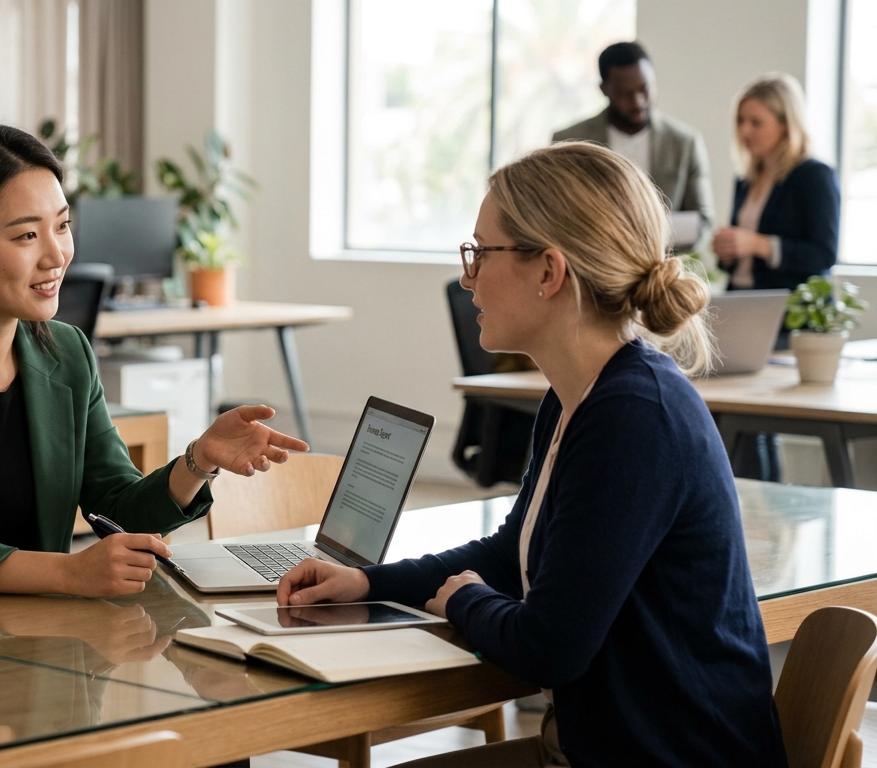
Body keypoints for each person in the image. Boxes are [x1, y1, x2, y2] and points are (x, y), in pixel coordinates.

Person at [277, 143, 786, 767]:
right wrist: (366, 582)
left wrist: (464, 599)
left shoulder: (634, 415)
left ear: (549, 271)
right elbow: (510, 554)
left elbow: (550, 647)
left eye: (481, 254)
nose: (468, 278)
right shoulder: (577, 397)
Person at [0, 123, 307, 599]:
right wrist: (68, 573)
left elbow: (116, 507)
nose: (57, 255)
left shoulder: (66, 351)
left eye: (62, 226)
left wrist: (198, 461)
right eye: (27, 236)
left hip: (27, 640)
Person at [553, 41, 715, 246]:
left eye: (645, 90)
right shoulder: (567, 143)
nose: (638, 102)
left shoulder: (684, 142)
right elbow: (555, 216)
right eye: (625, 94)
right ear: (604, 89)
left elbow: (703, 223)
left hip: (663, 265)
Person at [712, 72, 840, 292]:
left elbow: (824, 254)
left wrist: (758, 245)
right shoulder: (745, 179)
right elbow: (739, 257)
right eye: (741, 121)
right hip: (741, 298)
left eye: (756, 123)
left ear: (785, 124)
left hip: (788, 307)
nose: (744, 131)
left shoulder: (814, 175)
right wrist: (728, 250)